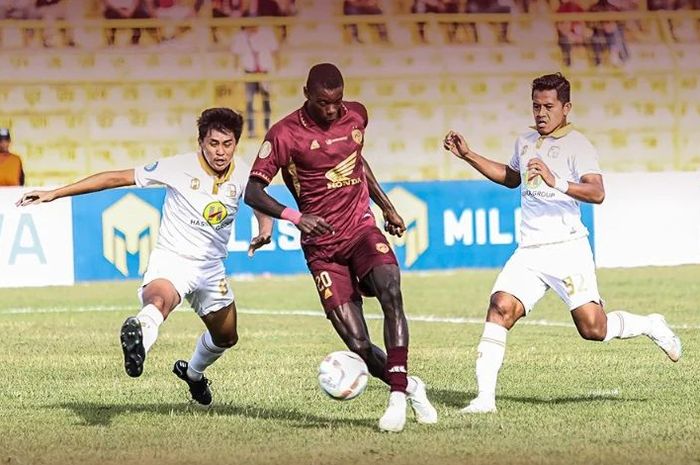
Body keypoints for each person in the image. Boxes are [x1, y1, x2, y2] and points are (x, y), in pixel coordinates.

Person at [443, 72, 682, 414]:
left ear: (566, 108)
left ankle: (650, 324)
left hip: (568, 248)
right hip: (529, 251)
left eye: (548, 106)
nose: (541, 113)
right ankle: (484, 400)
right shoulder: (524, 141)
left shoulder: (578, 146)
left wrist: (557, 181)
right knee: (500, 307)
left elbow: (597, 192)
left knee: (593, 328)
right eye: (536, 106)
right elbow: (513, 179)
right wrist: (469, 155)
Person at [16, 108, 272, 407]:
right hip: (173, 259)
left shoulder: (242, 172)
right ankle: (138, 339)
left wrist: (265, 227)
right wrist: (55, 193)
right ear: (201, 141)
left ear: (236, 144)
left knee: (227, 337)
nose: (220, 151)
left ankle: (193, 374)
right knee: (158, 302)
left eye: (227, 144)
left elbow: (258, 200)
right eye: (213, 143)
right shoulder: (178, 167)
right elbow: (115, 178)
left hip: (211, 268)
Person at [244, 63, 437, 432]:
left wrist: (387, 207)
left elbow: (357, 162)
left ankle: (396, 399)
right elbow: (254, 190)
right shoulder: (284, 134)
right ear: (306, 94)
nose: (332, 110)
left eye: (337, 101)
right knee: (359, 344)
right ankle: (412, 387)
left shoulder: (357, 116)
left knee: (391, 291)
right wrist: (296, 218)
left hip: (361, 230)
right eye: (323, 103)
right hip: (322, 249)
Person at [230, 25, 279, 138]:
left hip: (264, 72)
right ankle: (251, 131)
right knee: (249, 102)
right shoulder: (241, 36)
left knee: (266, 101)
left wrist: (276, 70)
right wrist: (236, 73)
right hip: (249, 73)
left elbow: (275, 52)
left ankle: (267, 128)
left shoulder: (266, 33)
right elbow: (236, 57)